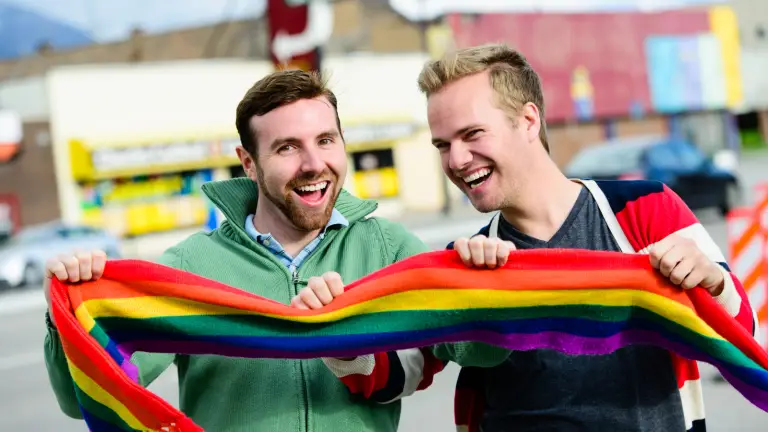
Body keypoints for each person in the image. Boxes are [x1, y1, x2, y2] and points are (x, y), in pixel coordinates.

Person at [315, 44, 759, 432]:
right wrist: (338, 336)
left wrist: (712, 283)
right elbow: (402, 371)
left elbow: (741, 333)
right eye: (442, 145)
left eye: (472, 134)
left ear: (528, 121)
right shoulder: (465, 261)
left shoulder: (644, 210)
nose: (456, 159)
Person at [42, 69, 442, 432]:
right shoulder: (189, 267)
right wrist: (69, 317)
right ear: (248, 163)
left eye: (325, 140)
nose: (313, 163)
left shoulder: (387, 246)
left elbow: (460, 345)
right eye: (287, 148)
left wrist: (487, 258)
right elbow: (84, 398)